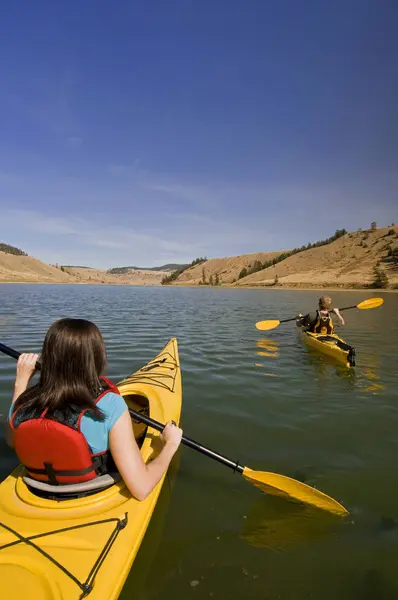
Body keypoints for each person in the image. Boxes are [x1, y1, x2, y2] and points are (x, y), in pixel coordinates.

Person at [5, 318, 182, 500]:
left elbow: (12, 441)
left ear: (47, 356)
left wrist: (21, 382)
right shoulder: (110, 405)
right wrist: (170, 445)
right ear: (96, 358)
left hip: (35, 489)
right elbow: (141, 488)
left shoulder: (24, 402)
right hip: (92, 491)